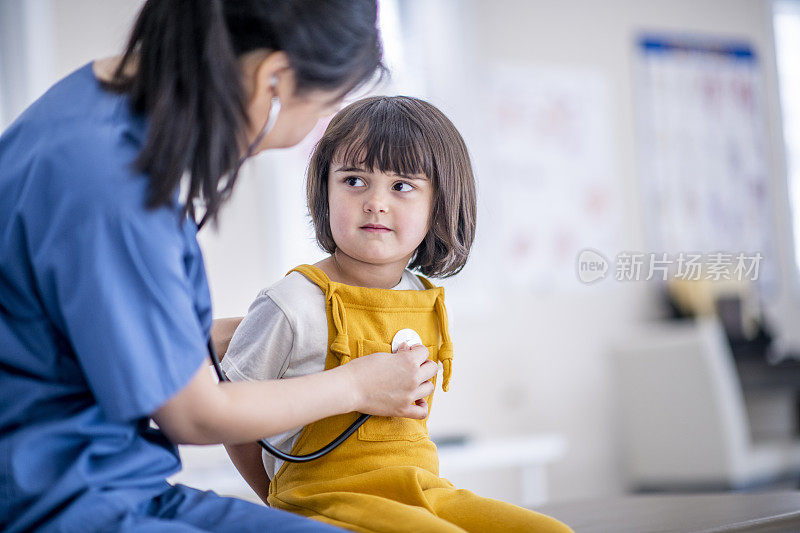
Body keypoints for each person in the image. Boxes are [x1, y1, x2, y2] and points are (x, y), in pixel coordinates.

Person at [0, 1, 440, 531]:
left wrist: (205, 335)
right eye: (321, 109)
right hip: (61, 502)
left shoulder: (89, 106)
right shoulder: (111, 186)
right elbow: (195, 414)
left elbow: (64, 330)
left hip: (101, 480)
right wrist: (358, 385)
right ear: (271, 81)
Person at [222, 96, 573, 532]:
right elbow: (231, 415)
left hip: (421, 488)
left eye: (402, 186)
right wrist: (278, 503)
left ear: (438, 204)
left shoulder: (424, 297)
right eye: (353, 180)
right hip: (325, 496)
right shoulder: (292, 301)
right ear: (324, 192)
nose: (375, 202)